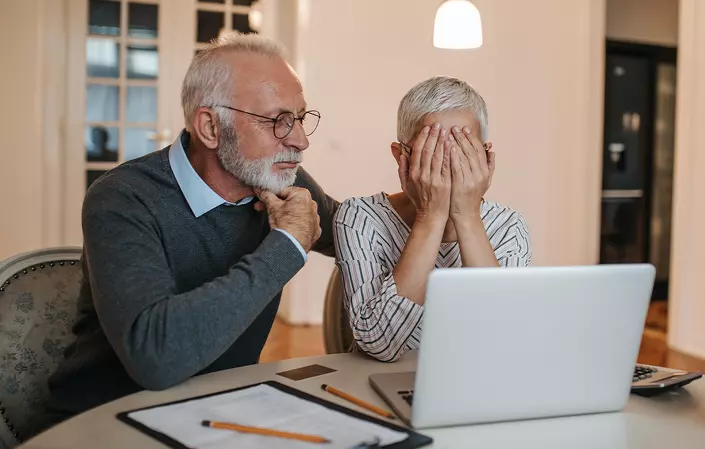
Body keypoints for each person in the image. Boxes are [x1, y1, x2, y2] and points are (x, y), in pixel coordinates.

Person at [43, 33, 338, 427]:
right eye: (278, 121)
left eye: (300, 118)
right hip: (102, 427)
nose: (300, 141)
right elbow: (157, 359)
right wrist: (285, 246)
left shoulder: (277, 178)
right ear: (211, 128)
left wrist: (431, 189)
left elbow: (353, 229)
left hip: (214, 419)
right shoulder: (122, 198)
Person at [333, 76, 532, 362]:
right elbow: (379, 344)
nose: (448, 167)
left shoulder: (509, 227)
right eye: (432, 152)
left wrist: (467, 216)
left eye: (464, 152)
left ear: (486, 160)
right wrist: (430, 217)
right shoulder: (359, 217)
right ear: (401, 156)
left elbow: (503, 340)